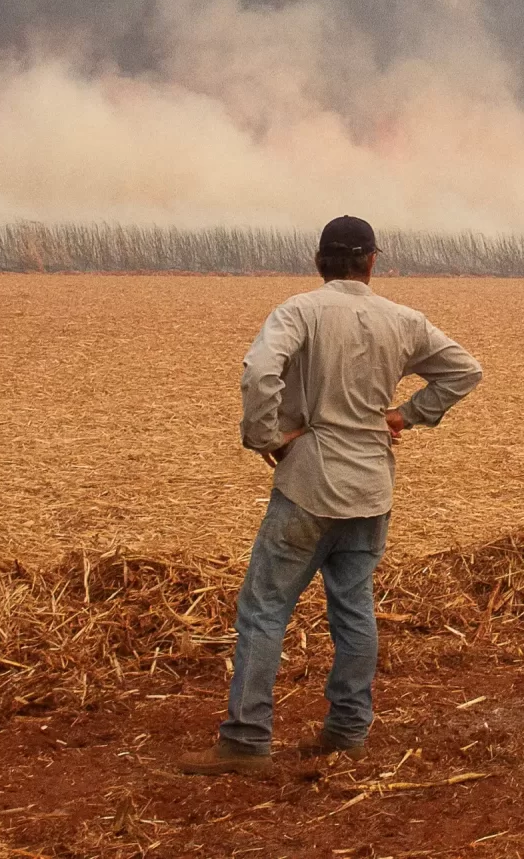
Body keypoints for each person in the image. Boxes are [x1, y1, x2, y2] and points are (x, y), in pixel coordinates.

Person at [183, 214, 484, 774]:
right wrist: (407, 415)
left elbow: (258, 369)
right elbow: (465, 370)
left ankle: (247, 739)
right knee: (354, 609)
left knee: (265, 608)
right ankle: (348, 731)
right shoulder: (403, 320)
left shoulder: (300, 311)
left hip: (309, 484)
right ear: (372, 262)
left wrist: (264, 436)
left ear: (319, 261)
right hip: (372, 486)